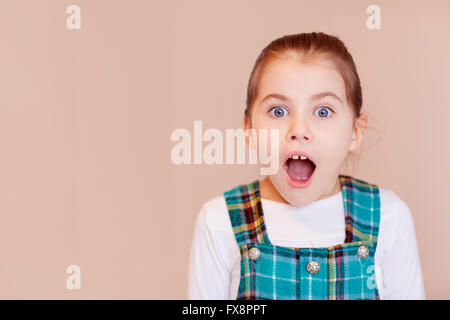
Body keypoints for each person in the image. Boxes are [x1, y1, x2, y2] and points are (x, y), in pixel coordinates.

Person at [187, 32, 425, 300]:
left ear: (355, 132)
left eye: (323, 112)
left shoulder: (389, 217)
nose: (299, 130)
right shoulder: (219, 221)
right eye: (278, 111)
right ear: (249, 130)